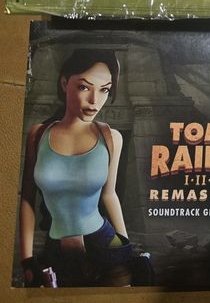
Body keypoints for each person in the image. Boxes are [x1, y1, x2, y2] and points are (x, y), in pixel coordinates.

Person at [18, 50, 132, 287]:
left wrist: (125, 245)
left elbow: (109, 195)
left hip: (105, 243)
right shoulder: (38, 135)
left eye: (105, 90)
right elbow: (27, 199)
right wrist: (27, 261)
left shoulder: (111, 138)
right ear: (64, 83)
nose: (94, 100)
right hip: (55, 246)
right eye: (84, 87)